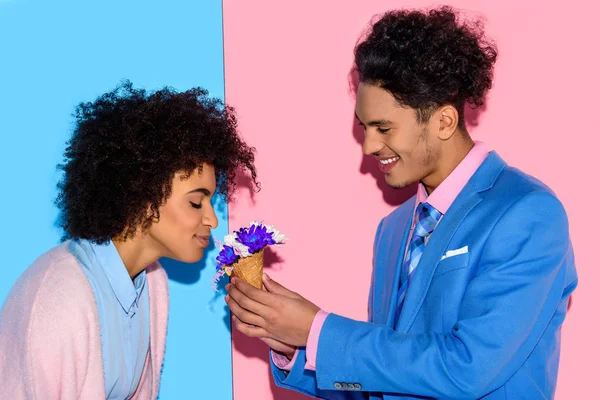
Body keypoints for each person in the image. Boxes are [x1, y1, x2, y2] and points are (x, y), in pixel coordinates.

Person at [224, 6, 577, 399]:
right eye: (364, 127)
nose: (370, 146)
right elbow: (386, 381)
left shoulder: (527, 214)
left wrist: (319, 331)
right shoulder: (393, 231)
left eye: (384, 128)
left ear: (443, 121)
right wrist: (296, 346)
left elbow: (468, 370)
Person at [0, 81, 258, 399]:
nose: (212, 220)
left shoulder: (152, 284)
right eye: (196, 202)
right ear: (144, 199)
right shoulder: (58, 297)